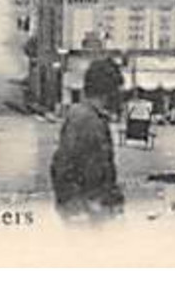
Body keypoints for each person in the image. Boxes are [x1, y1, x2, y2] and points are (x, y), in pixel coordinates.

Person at [50, 57, 125, 220]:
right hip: (88, 219)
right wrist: (77, 213)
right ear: (109, 92)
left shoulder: (89, 117)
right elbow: (62, 170)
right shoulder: (86, 120)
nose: (120, 97)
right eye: (118, 90)